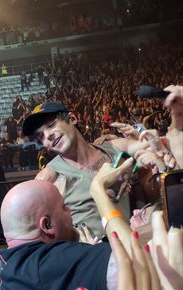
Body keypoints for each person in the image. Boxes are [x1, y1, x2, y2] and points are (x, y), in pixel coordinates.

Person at [0, 179, 113, 290]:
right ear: (47, 225)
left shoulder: (4, 264)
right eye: (64, 206)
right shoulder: (49, 263)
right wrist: (101, 196)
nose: (70, 210)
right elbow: (142, 265)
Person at [22, 102, 161, 238]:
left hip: (134, 246)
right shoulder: (48, 179)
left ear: (72, 119)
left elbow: (158, 147)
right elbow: (38, 234)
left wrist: (149, 140)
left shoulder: (115, 148)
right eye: (41, 137)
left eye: (51, 125)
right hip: (94, 256)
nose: (47, 136)